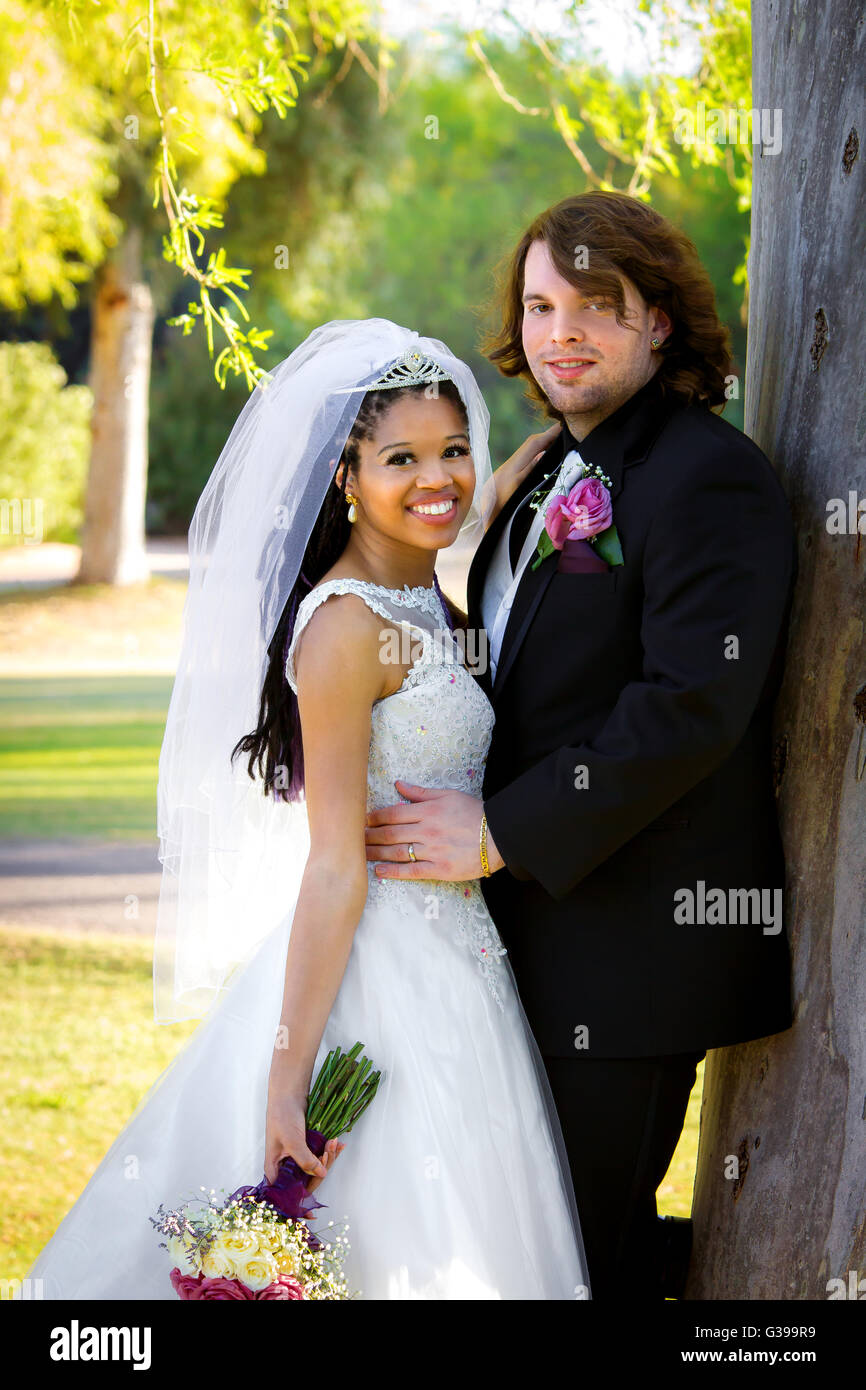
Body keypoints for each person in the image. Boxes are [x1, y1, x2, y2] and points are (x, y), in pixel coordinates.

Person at [22, 319, 590, 1301]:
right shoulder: (343, 628)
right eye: (400, 458)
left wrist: (538, 460)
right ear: (344, 476)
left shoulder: (417, 594)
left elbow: (458, 535)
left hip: (463, 971)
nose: (438, 478)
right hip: (381, 978)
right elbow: (333, 863)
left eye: (453, 449)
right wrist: (286, 1077)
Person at [364, 193, 798, 1300]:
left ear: (658, 320)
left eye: (594, 305)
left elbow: (691, 703)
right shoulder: (537, 476)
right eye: (539, 303)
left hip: (625, 956)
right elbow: (511, 669)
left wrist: (500, 830)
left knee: (577, 1262)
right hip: (508, 948)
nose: (560, 331)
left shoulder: (707, 477)